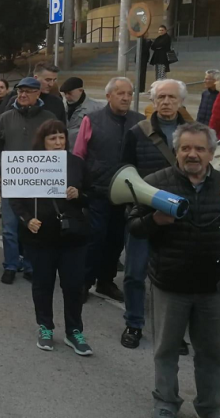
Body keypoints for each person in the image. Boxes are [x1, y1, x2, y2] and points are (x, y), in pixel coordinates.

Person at [127, 122, 220, 418]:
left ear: (211, 153)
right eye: (186, 148)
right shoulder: (155, 183)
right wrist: (155, 222)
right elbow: (133, 227)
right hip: (169, 284)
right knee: (165, 351)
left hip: (212, 288)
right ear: (176, 151)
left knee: (213, 357)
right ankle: (165, 403)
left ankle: (210, 407)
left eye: (200, 148)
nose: (192, 154)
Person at [10, 120, 92, 356]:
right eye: (52, 139)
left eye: (61, 138)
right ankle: (45, 327)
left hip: (73, 237)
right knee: (43, 284)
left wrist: (79, 195)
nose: (58, 143)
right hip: (40, 237)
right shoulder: (29, 164)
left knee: (74, 286)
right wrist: (27, 219)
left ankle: (74, 331)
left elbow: (93, 194)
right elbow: (15, 198)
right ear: (42, 142)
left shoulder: (76, 164)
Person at [119, 79, 189, 350]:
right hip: (144, 213)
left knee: (174, 277)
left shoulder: (195, 133)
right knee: (135, 273)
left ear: (181, 101)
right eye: (161, 97)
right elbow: (125, 171)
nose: (167, 102)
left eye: (172, 97)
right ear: (153, 101)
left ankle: (173, 332)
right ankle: (134, 324)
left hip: (179, 216)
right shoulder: (138, 132)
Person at [73, 76, 144, 302]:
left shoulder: (140, 122)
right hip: (97, 191)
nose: (125, 98)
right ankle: (85, 282)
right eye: (120, 93)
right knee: (95, 238)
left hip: (126, 193)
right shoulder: (91, 120)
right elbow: (79, 154)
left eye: (129, 94)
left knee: (115, 241)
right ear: (108, 96)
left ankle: (106, 281)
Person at [0, 77, 58, 284]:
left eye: (28, 91)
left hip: (39, 182)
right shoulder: (6, 117)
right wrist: (2, 167)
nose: (23, 95)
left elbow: (58, 146)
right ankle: (10, 265)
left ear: (38, 94)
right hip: (11, 180)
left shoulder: (49, 118)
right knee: (9, 226)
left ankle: (30, 265)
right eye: (20, 91)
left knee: (33, 224)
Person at [60, 76, 103, 149]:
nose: (67, 96)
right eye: (65, 93)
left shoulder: (97, 108)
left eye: (70, 93)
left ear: (80, 90)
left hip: (85, 151)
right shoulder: (61, 106)